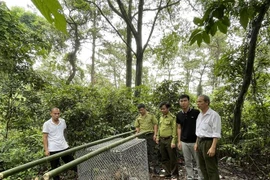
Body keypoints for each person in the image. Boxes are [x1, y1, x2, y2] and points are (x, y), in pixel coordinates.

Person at [43, 107, 77, 180]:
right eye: (55, 114)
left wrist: (66, 141)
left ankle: (75, 177)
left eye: (58, 114)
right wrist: (46, 150)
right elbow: (45, 137)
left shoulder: (63, 121)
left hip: (64, 146)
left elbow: (64, 132)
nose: (57, 115)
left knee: (73, 164)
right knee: (54, 169)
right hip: (53, 149)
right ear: (51, 114)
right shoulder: (47, 124)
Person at [194, 95, 221, 180]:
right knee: (202, 167)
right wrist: (196, 143)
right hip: (200, 141)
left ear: (207, 102)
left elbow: (216, 132)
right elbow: (199, 131)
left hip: (209, 142)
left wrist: (213, 147)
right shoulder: (200, 115)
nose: (198, 104)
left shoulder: (214, 115)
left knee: (211, 167)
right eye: (197, 102)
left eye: (200, 102)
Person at [177, 94, 203, 180]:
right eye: (181, 101)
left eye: (185, 101)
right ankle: (190, 177)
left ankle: (201, 177)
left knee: (199, 162)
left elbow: (200, 127)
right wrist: (179, 141)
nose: (183, 103)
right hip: (184, 142)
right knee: (187, 162)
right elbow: (179, 128)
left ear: (188, 102)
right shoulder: (179, 115)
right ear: (179, 102)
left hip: (195, 141)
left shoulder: (196, 113)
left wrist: (197, 141)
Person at [134, 104, 159, 174]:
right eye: (139, 110)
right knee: (144, 153)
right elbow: (137, 127)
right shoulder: (138, 117)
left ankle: (156, 168)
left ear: (145, 109)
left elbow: (155, 124)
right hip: (142, 136)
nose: (141, 111)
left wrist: (155, 134)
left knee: (153, 152)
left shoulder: (151, 115)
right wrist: (136, 136)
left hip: (150, 135)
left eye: (142, 110)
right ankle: (147, 169)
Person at [156, 102, 178, 180]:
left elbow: (174, 130)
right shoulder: (161, 117)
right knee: (164, 157)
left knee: (172, 157)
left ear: (168, 108)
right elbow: (159, 128)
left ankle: (174, 174)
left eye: (164, 109)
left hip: (169, 139)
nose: (162, 110)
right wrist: (158, 137)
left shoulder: (172, 117)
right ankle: (168, 173)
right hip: (162, 140)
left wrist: (173, 141)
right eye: (161, 109)